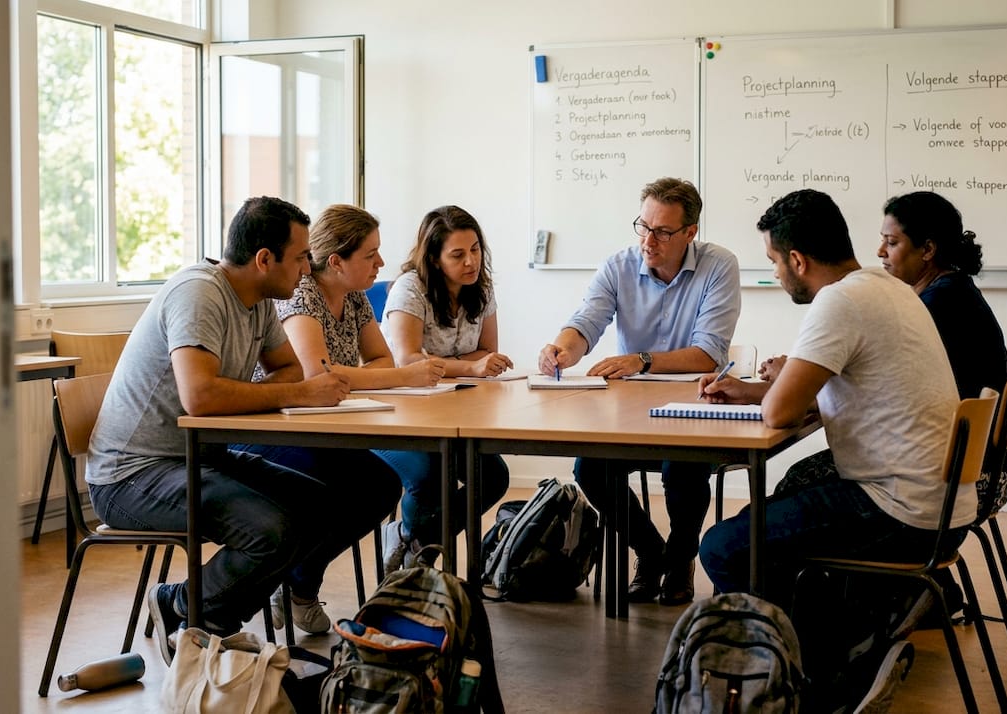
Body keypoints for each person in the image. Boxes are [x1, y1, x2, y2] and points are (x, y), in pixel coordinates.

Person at [697, 188, 966, 711]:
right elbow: (827, 396)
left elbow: (780, 414)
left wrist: (769, 396)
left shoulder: (838, 302)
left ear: (798, 260)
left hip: (899, 509)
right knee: (759, 523)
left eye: (775, 262)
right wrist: (754, 390)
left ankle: (824, 680)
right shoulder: (886, 289)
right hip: (938, 502)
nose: (776, 274)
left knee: (726, 547)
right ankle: (850, 645)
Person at [85, 196, 350, 665]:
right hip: (131, 475)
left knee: (324, 506)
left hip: (197, 456)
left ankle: (188, 604)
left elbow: (287, 368)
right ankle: (195, 621)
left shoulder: (260, 300)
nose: (307, 268)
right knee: (272, 531)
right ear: (264, 259)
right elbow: (202, 397)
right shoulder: (199, 292)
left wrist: (276, 390)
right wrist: (296, 394)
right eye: (300, 257)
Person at [231, 204, 437, 633]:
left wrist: (356, 377)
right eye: (371, 254)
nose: (382, 263)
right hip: (272, 425)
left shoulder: (356, 297)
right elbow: (318, 374)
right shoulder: (300, 295)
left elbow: (374, 360)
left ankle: (298, 586)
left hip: (329, 423)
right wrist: (400, 375)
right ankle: (291, 588)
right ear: (337, 261)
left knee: (380, 486)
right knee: (340, 489)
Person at [537, 177, 741, 606]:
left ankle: (681, 559)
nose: (649, 240)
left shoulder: (719, 266)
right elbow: (586, 322)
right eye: (643, 226)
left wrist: (642, 360)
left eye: (663, 231)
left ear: (690, 233)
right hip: (631, 410)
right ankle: (653, 554)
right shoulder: (619, 266)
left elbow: (708, 353)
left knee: (682, 466)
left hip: (695, 405)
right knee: (589, 468)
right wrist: (563, 349)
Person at [878, 190, 1007, 620]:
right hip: (983, 471)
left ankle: (896, 599)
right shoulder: (951, 293)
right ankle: (924, 592)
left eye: (892, 242)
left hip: (962, 481)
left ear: (928, 250)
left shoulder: (938, 307)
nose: (880, 252)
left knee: (816, 479)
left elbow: (880, 387)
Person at [380, 205, 513, 569]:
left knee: (493, 476)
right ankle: (419, 557)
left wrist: (461, 364)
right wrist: (469, 365)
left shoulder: (480, 290)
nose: (470, 261)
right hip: (394, 411)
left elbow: (489, 351)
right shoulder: (411, 289)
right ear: (435, 259)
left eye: (475, 250)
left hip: (450, 407)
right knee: (428, 474)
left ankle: (415, 542)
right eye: (457, 254)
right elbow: (407, 360)